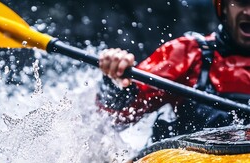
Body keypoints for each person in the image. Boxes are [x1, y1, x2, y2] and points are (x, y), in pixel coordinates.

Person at [97, 0, 250, 142]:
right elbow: (114, 118)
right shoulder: (189, 54)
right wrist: (116, 81)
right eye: (242, 1)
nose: (248, 11)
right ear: (222, 6)